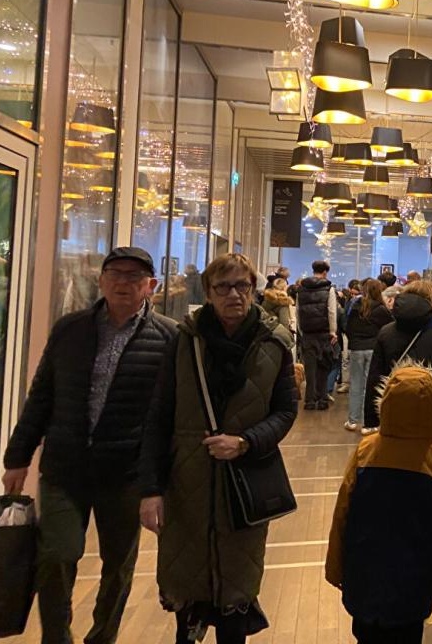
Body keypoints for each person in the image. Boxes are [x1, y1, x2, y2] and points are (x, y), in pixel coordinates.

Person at [1, 246, 176, 644]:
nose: (123, 283)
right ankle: (56, 637)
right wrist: (17, 457)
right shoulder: (70, 329)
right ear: (101, 280)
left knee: (118, 565)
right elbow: (42, 395)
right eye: (115, 274)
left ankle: (103, 636)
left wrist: (157, 484)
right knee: (56, 555)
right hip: (65, 467)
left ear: (151, 285)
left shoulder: (169, 337)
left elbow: (167, 417)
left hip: (125, 473)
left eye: (134, 277)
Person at [138, 252, 298, 644]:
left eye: (242, 285)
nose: (233, 294)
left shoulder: (274, 342)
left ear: (253, 288)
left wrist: (246, 442)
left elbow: (285, 410)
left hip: (244, 488)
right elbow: (159, 416)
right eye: (223, 287)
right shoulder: (185, 341)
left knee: (236, 598)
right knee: (186, 595)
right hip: (186, 485)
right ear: (208, 293)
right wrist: (151, 489)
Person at [326, 362, 432, 643]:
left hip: (364, 571)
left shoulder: (366, 450)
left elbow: (343, 513)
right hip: (413, 576)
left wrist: (335, 568)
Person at [363, 280, 432, 436]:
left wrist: (371, 418)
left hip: (392, 410)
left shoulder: (386, 332)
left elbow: (375, 377)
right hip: (426, 413)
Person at [343, 278, 393, 433]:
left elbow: (347, 327)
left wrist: (354, 341)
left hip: (356, 349)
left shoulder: (355, 306)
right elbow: (389, 329)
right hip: (373, 350)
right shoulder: (381, 310)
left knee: (355, 384)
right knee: (370, 386)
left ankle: (352, 421)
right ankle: (368, 423)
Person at [296, 259, 339, 410]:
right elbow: (331, 312)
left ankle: (309, 400)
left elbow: (298, 312)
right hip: (324, 333)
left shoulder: (301, 289)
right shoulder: (329, 289)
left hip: (308, 333)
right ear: (325, 272)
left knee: (310, 369)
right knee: (323, 367)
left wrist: (302, 330)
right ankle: (322, 400)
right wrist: (333, 331)